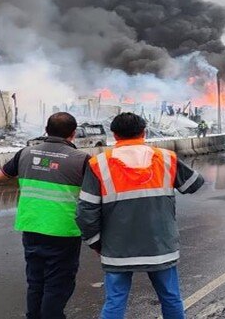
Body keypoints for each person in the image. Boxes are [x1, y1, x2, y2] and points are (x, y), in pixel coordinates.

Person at [77, 113, 205, 319]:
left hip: (117, 248)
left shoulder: (98, 164)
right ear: (144, 132)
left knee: (115, 301)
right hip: (160, 246)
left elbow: (86, 211)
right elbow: (194, 184)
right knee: (171, 298)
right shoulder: (166, 158)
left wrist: (95, 243)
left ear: (114, 135)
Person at [0, 112, 91, 319]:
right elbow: (97, 192)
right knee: (58, 284)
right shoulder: (82, 160)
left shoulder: (26, 153)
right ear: (73, 134)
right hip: (63, 231)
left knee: (35, 281)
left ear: (46, 130)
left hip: (31, 227)